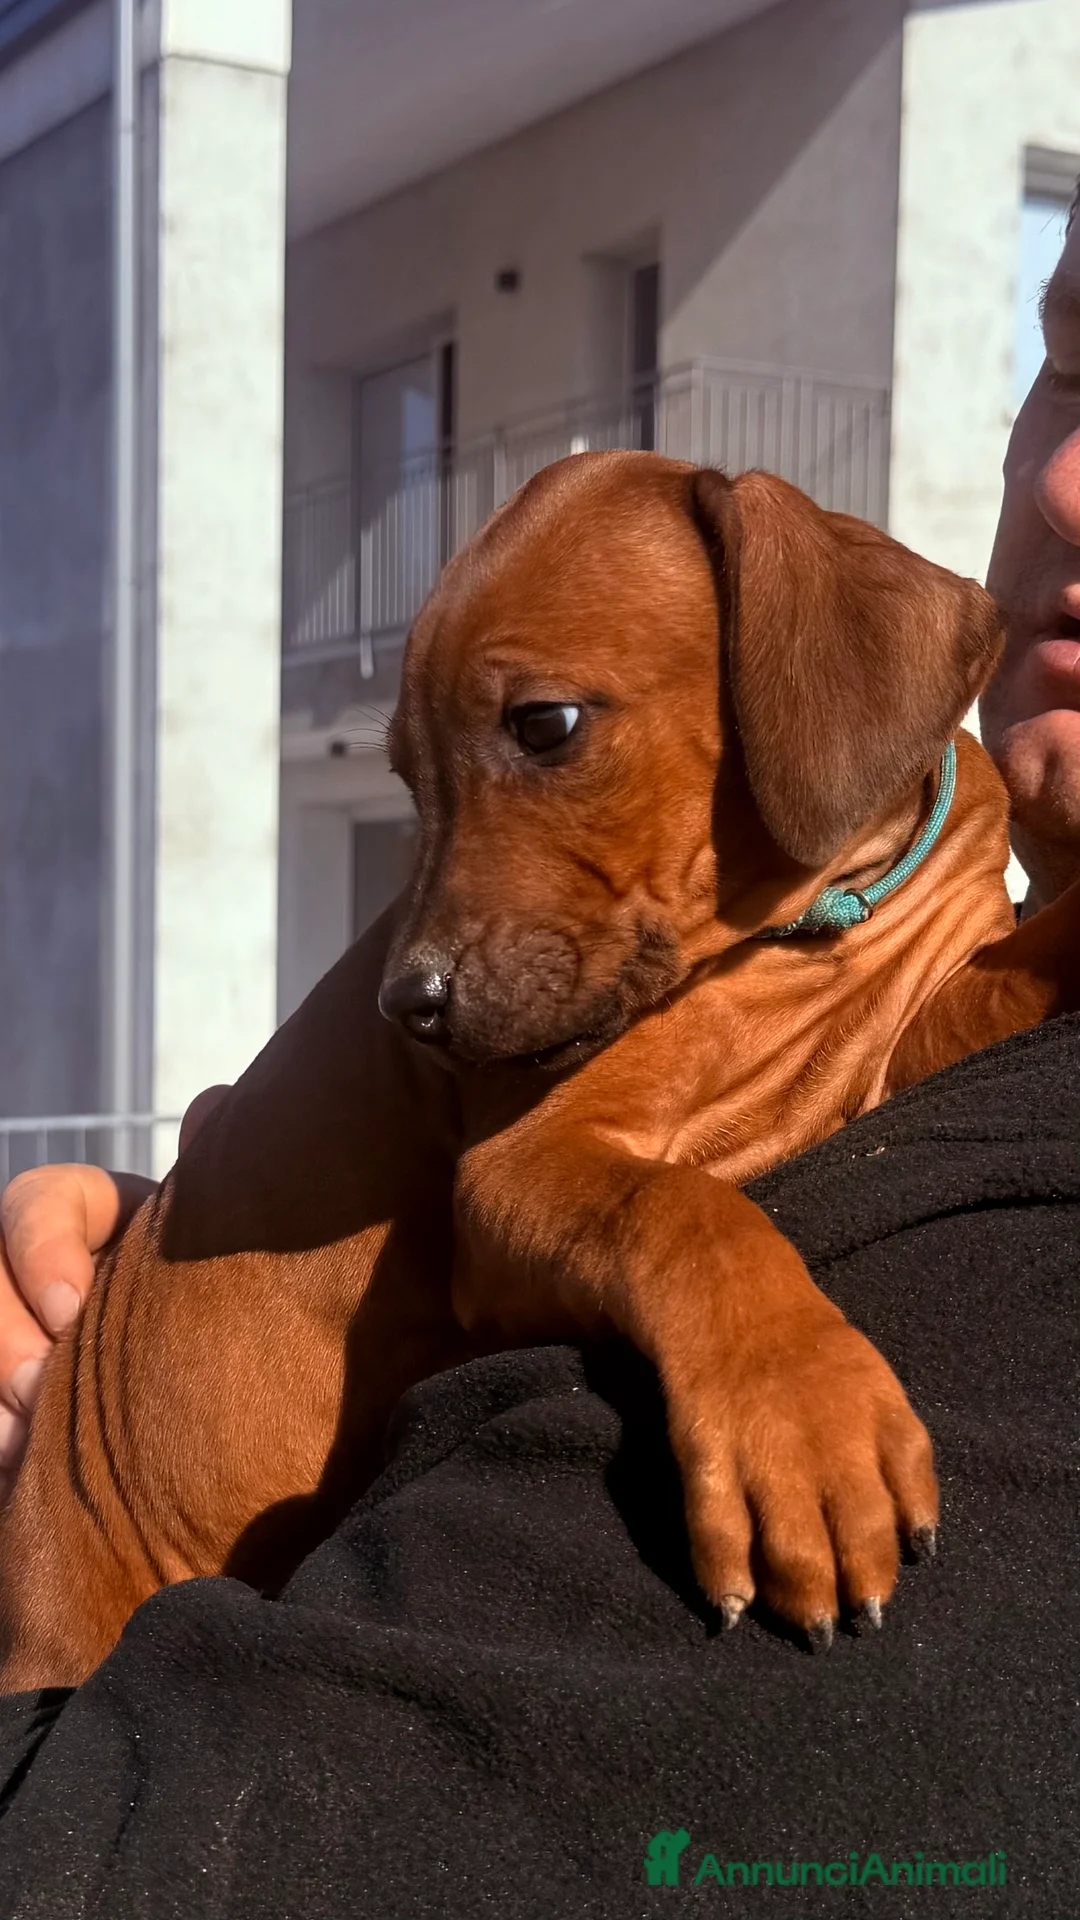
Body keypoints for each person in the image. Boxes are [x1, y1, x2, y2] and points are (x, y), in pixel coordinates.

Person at [0, 205, 1078, 1914]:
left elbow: (911, 1052)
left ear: (794, 664)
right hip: (120, 1664)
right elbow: (523, 1195)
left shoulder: (912, 874)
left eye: (550, 737)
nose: (418, 964)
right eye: (1065, 368)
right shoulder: (737, 916)